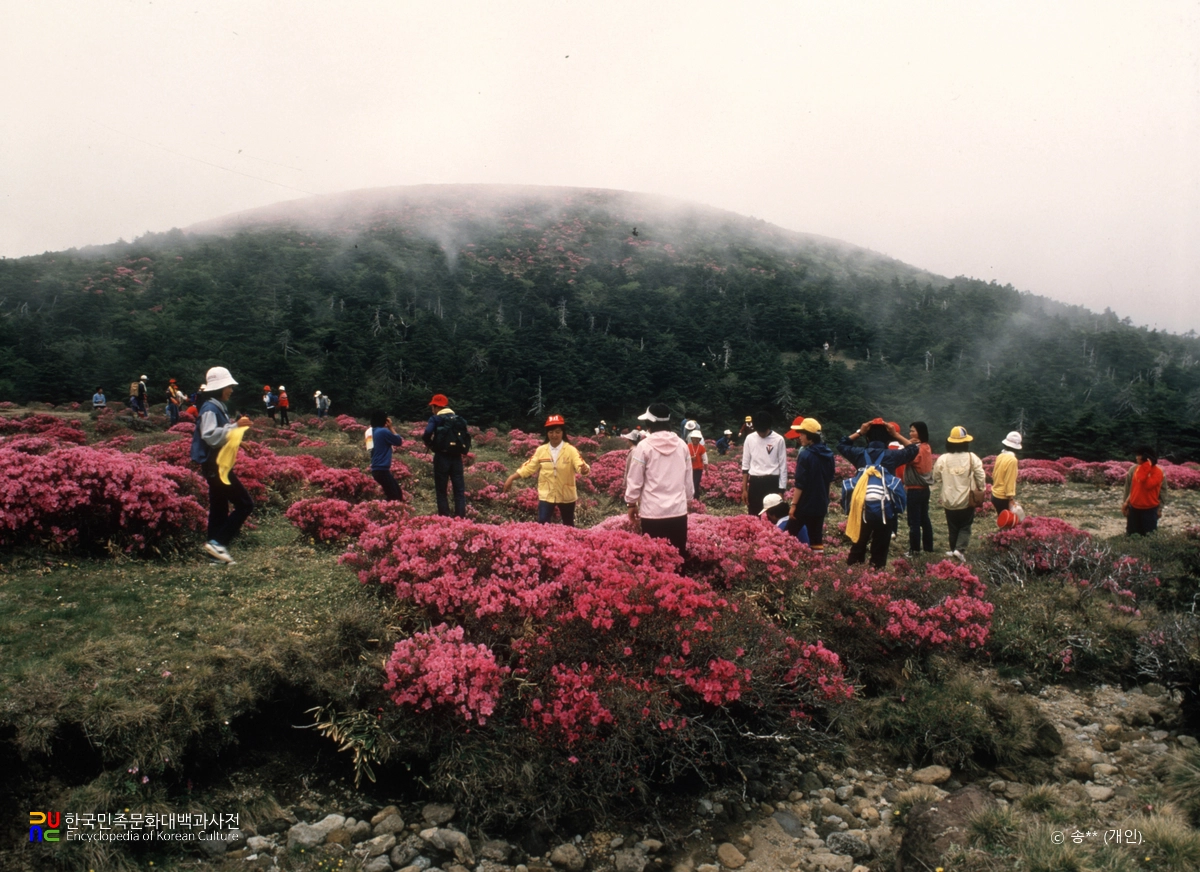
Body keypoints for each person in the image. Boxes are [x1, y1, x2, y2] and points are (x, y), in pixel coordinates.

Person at [190, 366, 254, 565]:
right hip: (216, 465)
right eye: (229, 387)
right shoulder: (210, 409)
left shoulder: (216, 406)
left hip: (215, 464)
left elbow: (220, 431)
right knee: (245, 504)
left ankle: (214, 557)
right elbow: (210, 436)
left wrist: (239, 440)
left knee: (219, 508)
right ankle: (218, 543)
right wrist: (236, 427)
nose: (231, 390)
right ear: (219, 388)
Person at [838, 418, 919, 568]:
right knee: (880, 548)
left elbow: (842, 444)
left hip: (861, 505)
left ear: (867, 438)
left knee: (858, 544)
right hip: (885, 507)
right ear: (888, 440)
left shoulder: (859, 454)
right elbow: (913, 449)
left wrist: (859, 432)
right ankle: (877, 576)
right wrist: (896, 435)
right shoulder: (892, 455)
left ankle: (852, 576)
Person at [625, 402, 693, 555]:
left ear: (649, 423)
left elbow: (635, 479)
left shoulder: (643, 446)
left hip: (652, 513)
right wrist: (688, 500)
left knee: (654, 560)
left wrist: (631, 503)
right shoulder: (682, 445)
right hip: (678, 512)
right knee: (678, 557)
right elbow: (688, 480)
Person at [504, 414, 591, 525]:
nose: (554, 435)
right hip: (546, 494)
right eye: (551, 432)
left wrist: (584, 470)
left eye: (557, 432)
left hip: (566, 494)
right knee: (543, 523)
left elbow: (580, 464)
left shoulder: (570, 450)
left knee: (568, 525)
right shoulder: (541, 450)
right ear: (547, 433)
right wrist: (512, 477)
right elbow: (529, 467)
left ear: (563, 432)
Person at [932, 426, 986, 560]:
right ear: (966, 443)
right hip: (966, 499)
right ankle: (960, 550)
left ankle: (953, 549)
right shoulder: (971, 457)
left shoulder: (943, 458)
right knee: (965, 525)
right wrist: (982, 488)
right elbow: (980, 475)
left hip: (948, 499)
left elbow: (936, 477)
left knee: (953, 526)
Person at [785, 417, 836, 554]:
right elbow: (830, 479)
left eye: (802, 433)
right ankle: (817, 567)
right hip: (821, 503)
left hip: (805, 503)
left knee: (788, 534)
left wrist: (794, 505)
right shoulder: (829, 454)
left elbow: (800, 483)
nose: (800, 436)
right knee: (816, 538)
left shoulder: (805, 455)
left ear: (810, 436)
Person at [422, 393, 471, 517]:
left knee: (441, 490)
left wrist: (431, 445)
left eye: (432, 407)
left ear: (436, 407)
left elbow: (427, 433)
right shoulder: (458, 418)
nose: (432, 410)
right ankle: (460, 518)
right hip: (456, 457)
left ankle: (444, 518)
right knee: (459, 490)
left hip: (441, 457)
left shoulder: (436, 418)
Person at [741, 412, 788, 515]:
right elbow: (745, 465)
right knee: (754, 514)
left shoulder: (778, 439)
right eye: (758, 431)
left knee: (773, 515)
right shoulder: (750, 438)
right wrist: (744, 489)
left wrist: (781, 491)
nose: (761, 434)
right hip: (755, 482)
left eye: (763, 431)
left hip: (772, 482)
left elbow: (783, 467)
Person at [901, 421, 935, 554]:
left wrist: (908, 443)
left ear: (920, 432)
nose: (911, 433)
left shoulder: (917, 449)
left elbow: (905, 456)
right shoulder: (926, 447)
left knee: (914, 521)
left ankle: (914, 550)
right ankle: (928, 548)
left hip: (914, 490)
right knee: (924, 519)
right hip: (924, 490)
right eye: (910, 431)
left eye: (913, 431)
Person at [1122, 446, 1166, 535]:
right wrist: (1125, 503)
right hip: (1134, 508)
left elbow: (1163, 491)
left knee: (1149, 536)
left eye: (1139, 455)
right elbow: (1130, 488)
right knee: (1131, 536)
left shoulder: (1158, 471)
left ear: (1146, 457)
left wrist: (1160, 508)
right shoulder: (1133, 469)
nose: (1136, 457)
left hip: (1150, 510)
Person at [368, 411, 406, 501]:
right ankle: (389, 512)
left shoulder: (370, 432)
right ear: (384, 420)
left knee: (393, 493)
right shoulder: (383, 431)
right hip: (382, 469)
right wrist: (391, 427)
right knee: (395, 496)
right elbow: (398, 441)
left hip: (375, 468)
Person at [991, 431, 1022, 512]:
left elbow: (994, 474)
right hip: (1003, 497)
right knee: (1008, 523)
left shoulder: (1000, 456)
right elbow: (1009, 480)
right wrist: (1011, 498)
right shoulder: (1012, 460)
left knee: (1001, 520)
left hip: (994, 495)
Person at [687, 429, 709, 497]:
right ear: (691, 439)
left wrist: (706, 469)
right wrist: (690, 458)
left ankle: (696, 497)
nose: (695, 440)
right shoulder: (687, 446)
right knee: (690, 483)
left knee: (696, 483)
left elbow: (705, 459)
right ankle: (690, 496)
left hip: (698, 468)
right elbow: (684, 457)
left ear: (699, 439)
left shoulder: (702, 448)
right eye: (694, 438)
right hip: (689, 468)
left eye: (697, 439)